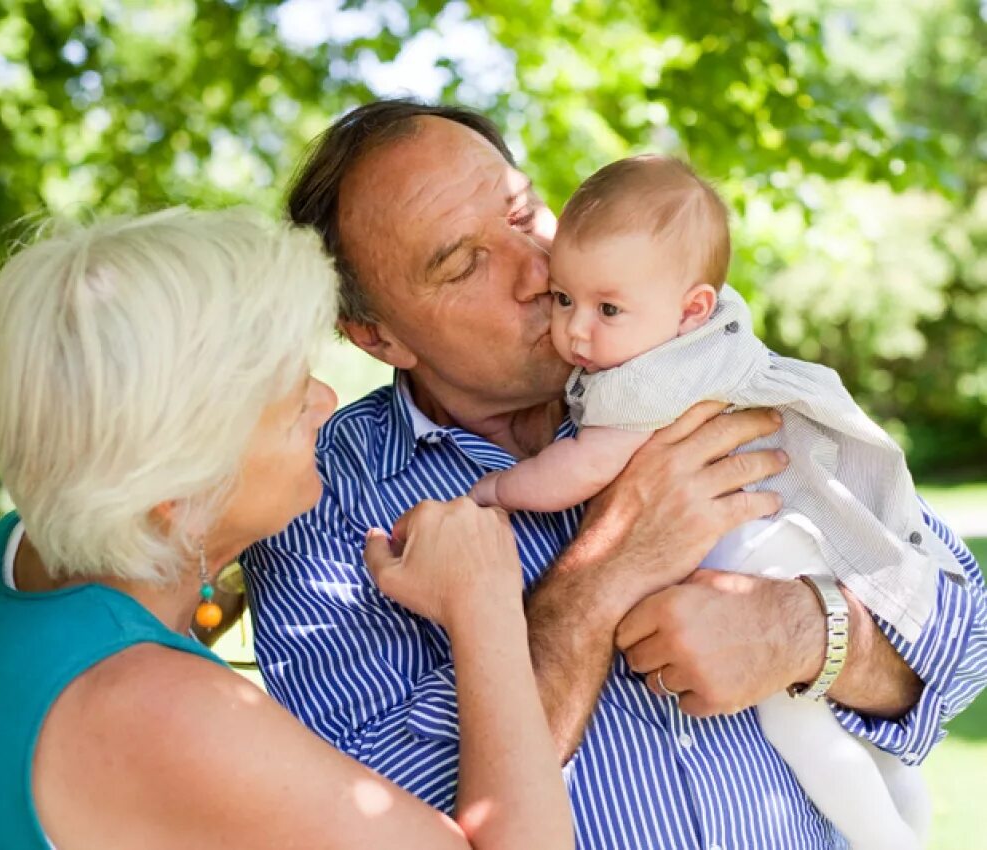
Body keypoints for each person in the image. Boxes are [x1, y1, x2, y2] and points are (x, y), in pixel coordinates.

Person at [244, 100, 987, 849]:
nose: (539, 270)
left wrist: (803, 631)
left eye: (523, 213)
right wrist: (603, 575)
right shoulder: (315, 501)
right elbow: (395, 818)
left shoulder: (696, 367)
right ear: (378, 336)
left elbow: (966, 637)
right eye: (466, 263)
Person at [0, 207, 575, 850]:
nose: (326, 401)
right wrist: (483, 605)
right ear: (183, 489)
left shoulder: (12, 556)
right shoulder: (161, 715)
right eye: (291, 403)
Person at [471, 153, 965, 849]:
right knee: (826, 732)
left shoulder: (642, 381)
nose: (576, 330)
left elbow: (580, 468)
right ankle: (901, 801)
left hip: (759, 559)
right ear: (376, 336)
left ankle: (888, 836)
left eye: (606, 309)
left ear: (692, 307)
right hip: (783, 540)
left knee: (798, 731)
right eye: (565, 300)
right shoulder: (699, 338)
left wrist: (495, 491)